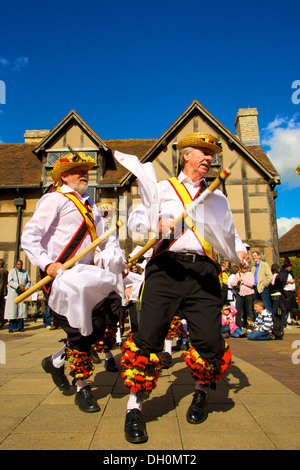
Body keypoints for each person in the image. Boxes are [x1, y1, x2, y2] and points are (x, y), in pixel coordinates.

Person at [120, 132, 250, 443]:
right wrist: (155, 224)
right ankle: (134, 406)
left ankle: (201, 391)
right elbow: (135, 222)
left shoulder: (217, 196)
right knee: (148, 335)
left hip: (204, 270)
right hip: (166, 268)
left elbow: (228, 233)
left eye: (212, 153)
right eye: (203, 152)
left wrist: (241, 249)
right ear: (186, 156)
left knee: (208, 338)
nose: (209, 158)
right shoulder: (163, 189)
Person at [21, 152, 126, 413]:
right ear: (64, 176)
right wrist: (48, 264)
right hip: (63, 278)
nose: (84, 172)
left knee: (100, 327)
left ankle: (55, 362)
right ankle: (82, 387)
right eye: (77, 169)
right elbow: (29, 236)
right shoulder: (53, 199)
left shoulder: (92, 206)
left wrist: (114, 261)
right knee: (80, 331)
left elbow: (105, 241)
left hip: (89, 277)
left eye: (86, 168)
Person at [4, 259, 31, 332]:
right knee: (13, 310)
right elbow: (10, 281)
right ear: (16, 265)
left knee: (21, 310)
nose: (20, 266)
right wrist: (18, 286)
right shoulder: (12, 272)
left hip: (22, 292)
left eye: (21, 264)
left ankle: (20, 327)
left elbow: (29, 281)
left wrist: (26, 287)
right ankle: (11, 327)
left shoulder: (25, 272)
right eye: (18, 264)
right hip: (14, 292)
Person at [230, 265, 255, 329]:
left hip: (249, 294)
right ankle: (238, 326)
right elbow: (232, 283)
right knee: (237, 310)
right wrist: (238, 280)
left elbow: (251, 284)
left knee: (249, 310)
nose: (244, 268)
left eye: (245, 267)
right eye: (243, 267)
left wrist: (243, 281)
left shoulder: (250, 274)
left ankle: (249, 326)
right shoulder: (238, 274)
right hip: (240, 294)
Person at [251, 251, 273, 315]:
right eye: (252, 256)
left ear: (259, 256)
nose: (254, 257)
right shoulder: (253, 268)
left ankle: (270, 321)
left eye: (255, 255)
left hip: (262, 288)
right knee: (256, 306)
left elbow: (270, 276)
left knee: (266, 305)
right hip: (255, 288)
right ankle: (259, 321)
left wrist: (264, 285)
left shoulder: (264, 265)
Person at [279, 258, 297, 325]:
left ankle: (288, 320)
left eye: (290, 266)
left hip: (291, 292)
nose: (290, 267)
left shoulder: (290, 273)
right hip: (286, 292)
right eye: (288, 266)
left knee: (290, 307)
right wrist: (288, 281)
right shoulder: (283, 273)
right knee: (286, 306)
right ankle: (284, 320)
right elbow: (281, 282)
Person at [269, 263, 288, 327]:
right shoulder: (277, 276)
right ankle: (275, 323)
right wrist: (285, 296)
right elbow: (280, 287)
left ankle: (282, 323)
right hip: (277, 294)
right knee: (275, 310)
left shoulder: (271, 277)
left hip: (272, 295)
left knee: (283, 309)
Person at [0, 258, 8, 329]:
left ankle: (2, 319)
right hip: (3, 291)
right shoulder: (6, 271)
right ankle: (2, 319)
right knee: (1, 306)